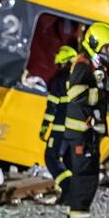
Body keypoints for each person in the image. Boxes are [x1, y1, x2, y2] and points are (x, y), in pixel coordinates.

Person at [61, 21, 109, 218]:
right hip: (82, 133)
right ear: (95, 43)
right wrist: (101, 95)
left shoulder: (94, 64)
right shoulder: (83, 64)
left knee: (88, 177)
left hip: (89, 133)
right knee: (84, 178)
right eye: (107, 46)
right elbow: (75, 93)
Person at [42, 45, 77, 204]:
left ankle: (68, 187)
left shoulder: (59, 80)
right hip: (76, 130)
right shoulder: (80, 79)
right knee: (70, 161)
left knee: (51, 157)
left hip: (60, 129)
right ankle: (71, 194)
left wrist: (44, 126)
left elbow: (52, 106)